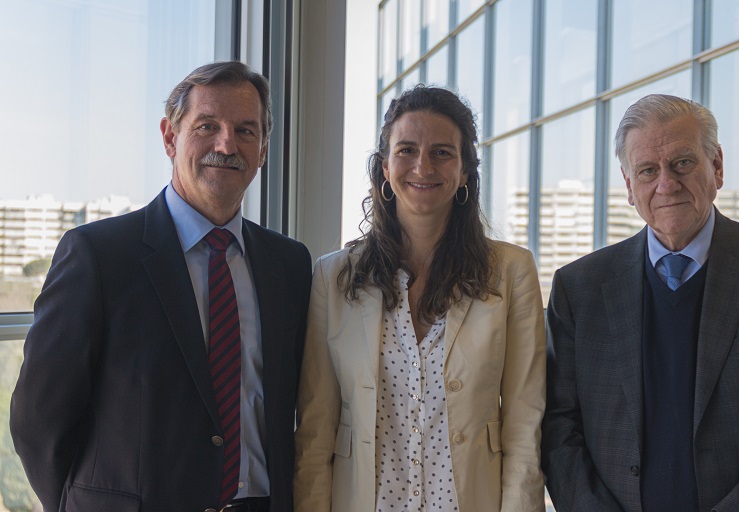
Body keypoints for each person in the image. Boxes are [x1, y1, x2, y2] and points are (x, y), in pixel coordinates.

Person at [10, 61, 312, 512]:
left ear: (263, 150)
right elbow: (38, 420)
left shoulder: (289, 265)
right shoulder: (98, 256)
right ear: (170, 138)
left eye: (246, 131)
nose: (226, 144)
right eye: (207, 126)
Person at [541, 94, 739, 512]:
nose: (666, 183)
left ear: (716, 166)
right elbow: (558, 427)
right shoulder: (578, 288)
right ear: (629, 186)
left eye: (682, 163)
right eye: (647, 170)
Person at [294, 86, 546, 511]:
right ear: (385, 168)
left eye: (443, 152)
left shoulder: (511, 271)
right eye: (407, 149)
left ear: (465, 172)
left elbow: (525, 424)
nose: (423, 166)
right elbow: (316, 432)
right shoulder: (333, 277)